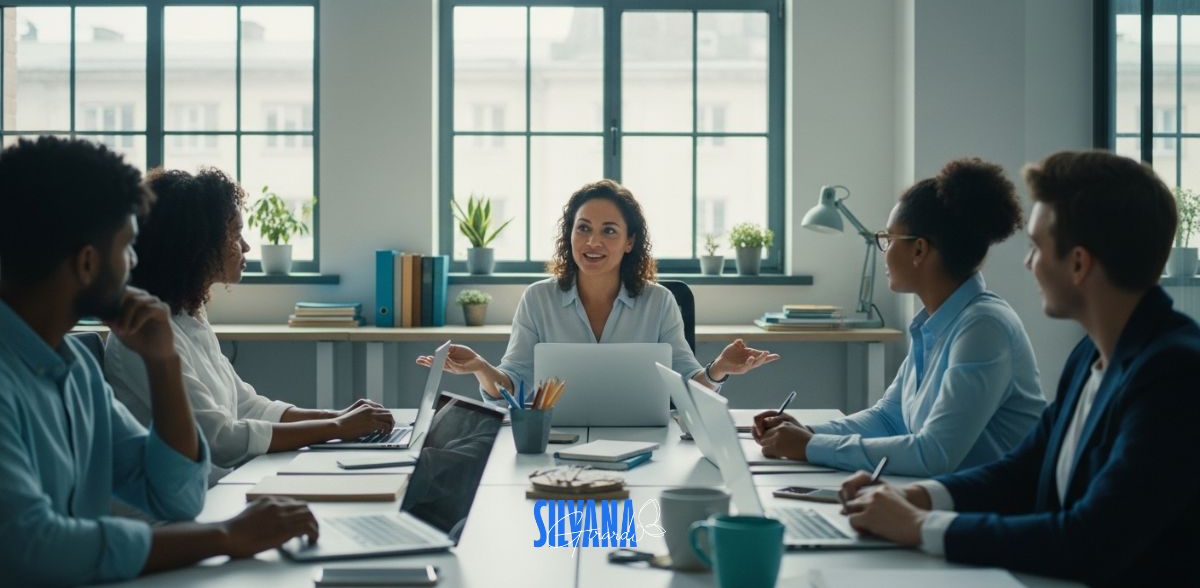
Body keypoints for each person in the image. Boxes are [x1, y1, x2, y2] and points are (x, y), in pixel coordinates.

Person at [839, 150, 1200, 586]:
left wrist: (920, 526)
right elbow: (1022, 471)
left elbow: (1090, 540)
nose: (1028, 264)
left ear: (1079, 263)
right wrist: (917, 497)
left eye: (1036, 248)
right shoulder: (1089, 356)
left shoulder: (1175, 375)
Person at [0, 137, 318, 585]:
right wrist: (224, 536)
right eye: (128, 246)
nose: (135, 261)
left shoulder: (74, 371)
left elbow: (178, 496)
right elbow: (33, 547)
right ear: (88, 263)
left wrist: (163, 363)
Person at [753, 158, 1046, 476]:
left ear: (919, 250)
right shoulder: (934, 324)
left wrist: (810, 446)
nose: (885, 250)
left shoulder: (984, 327)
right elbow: (888, 419)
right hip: (945, 495)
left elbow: (934, 454)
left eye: (889, 239)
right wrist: (805, 432)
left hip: (991, 504)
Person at [105, 168, 395, 485]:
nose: (245, 247)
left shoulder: (189, 314)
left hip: (216, 487)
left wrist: (338, 417)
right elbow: (219, 439)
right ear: (196, 244)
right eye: (235, 234)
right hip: (183, 505)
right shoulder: (140, 335)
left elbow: (246, 406)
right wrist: (337, 428)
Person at [417, 179, 779, 405]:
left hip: (644, 442)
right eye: (583, 228)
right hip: (555, 441)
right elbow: (511, 387)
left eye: (609, 231)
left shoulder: (659, 302)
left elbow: (688, 386)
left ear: (629, 242)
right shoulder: (538, 299)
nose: (593, 242)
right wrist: (482, 368)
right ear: (569, 235)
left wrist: (719, 370)